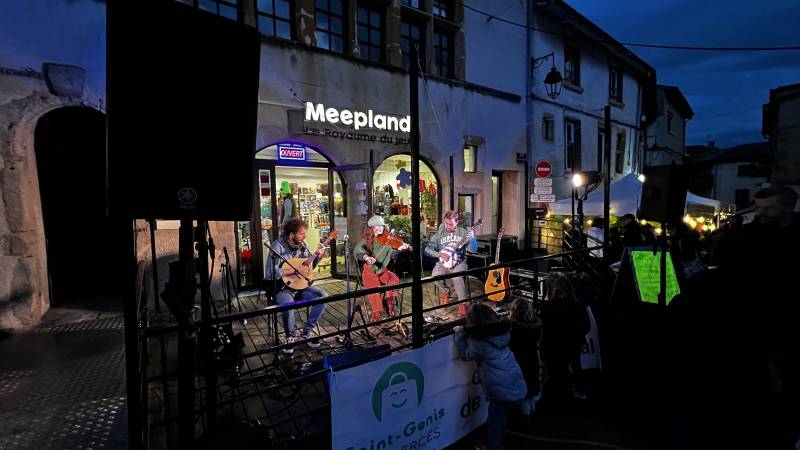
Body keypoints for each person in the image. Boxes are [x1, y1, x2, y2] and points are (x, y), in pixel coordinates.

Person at [454, 304, 527, 450]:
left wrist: (459, 336)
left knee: (496, 420)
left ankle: (494, 445)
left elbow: (466, 355)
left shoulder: (479, 341)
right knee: (503, 414)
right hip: (515, 380)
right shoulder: (502, 333)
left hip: (501, 390)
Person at [264, 218, 328, 354]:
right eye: (301, 234)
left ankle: (306, 332)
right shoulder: (277, 246)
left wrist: (318, 256)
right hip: (282, 288)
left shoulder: (303, 246)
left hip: (301, 287)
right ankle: (290, 336)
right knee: (288, 304)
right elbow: (270, 272)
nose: (304, 236)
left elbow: (308, 267)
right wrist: (293, 270)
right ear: (291, 234)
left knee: (323, 296)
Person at [538, 272, 590, 408]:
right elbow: (586, 326)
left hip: (553, 345)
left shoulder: (547, 307)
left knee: (555, 372)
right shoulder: (577, 305)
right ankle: (578, 393)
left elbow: (542, 327)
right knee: (575, 367)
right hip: (573, 343)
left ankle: (558, 398)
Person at [353, 216, 411, 322]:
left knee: (393, 280)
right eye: (377, 226)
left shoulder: (387, 240)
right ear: (371, 228)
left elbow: (392, 255)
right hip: (369, 271)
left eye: (382, 226)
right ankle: (376, 312)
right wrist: (366, 257)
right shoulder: (366, 240)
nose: (380, 228)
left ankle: (389, 305)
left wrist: (401, 249)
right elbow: (357, 249)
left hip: (382, 270)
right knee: (375, 286)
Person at [424, 210, 477, 316]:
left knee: (456, 277)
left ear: (456, 222)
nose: (447, 226)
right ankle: (445, 291)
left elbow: (473, 250)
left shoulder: (463, 232)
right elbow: (427, 250)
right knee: (435, 275)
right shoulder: (440, 234)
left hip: (459, 262)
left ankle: (462, 304)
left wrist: (472, 238)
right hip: (443, 263)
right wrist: (439, 254)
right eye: (446, 223)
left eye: (450, 224)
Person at [508, 298, 542, 419]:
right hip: (531, 358)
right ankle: (531, 410)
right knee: (531, 385)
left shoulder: (514, 329)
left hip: (519, 361)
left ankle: (525, 418)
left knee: (523, 389)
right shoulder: (535, 326)